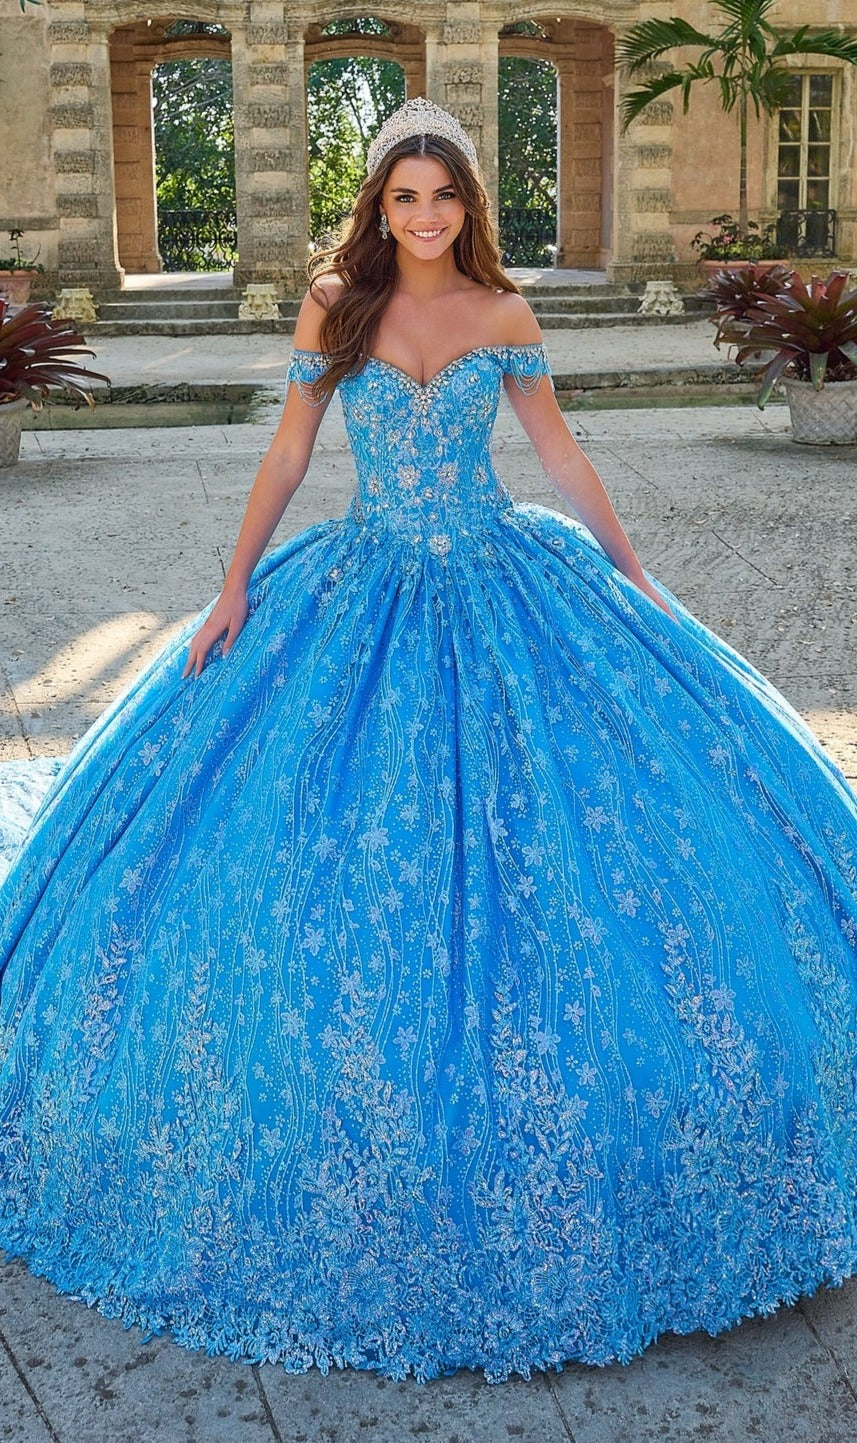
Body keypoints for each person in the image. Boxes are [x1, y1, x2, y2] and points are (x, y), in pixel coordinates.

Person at [1, 97, 857, 1386]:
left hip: (502, 576)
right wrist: (232, 587)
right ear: (379, 206)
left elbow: (558, 457)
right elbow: (292, 454)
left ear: (468, 201)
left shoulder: (506, 318)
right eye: (403, 196)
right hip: (366, 579)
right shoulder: (335, 306)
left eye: (442, 194)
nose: (424, 215)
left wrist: (636, 574)